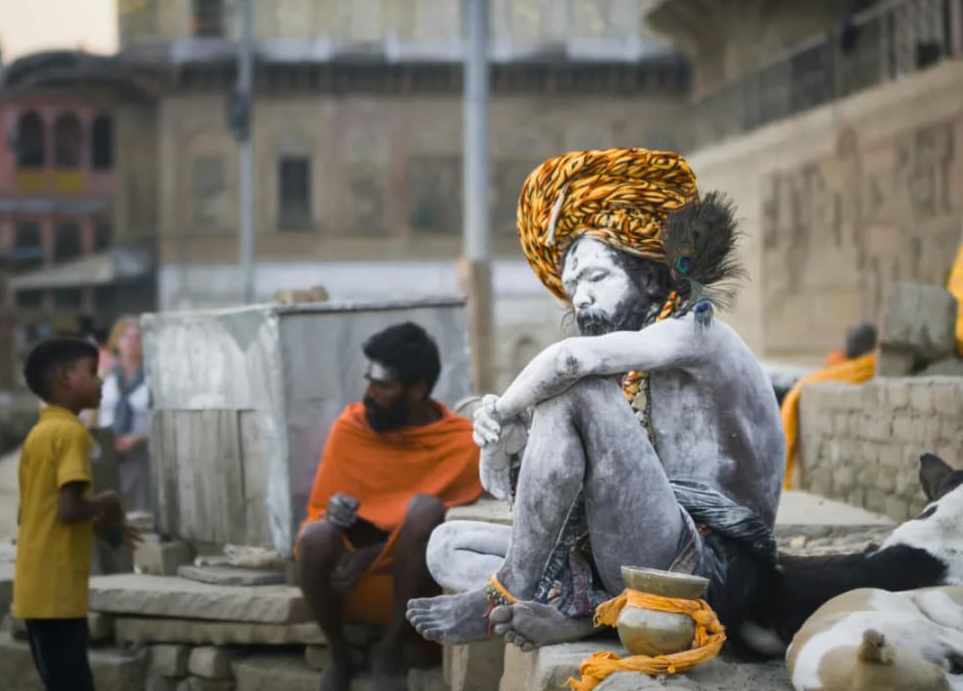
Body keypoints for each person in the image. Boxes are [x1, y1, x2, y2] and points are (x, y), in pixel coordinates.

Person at [406, 148, 784, 655]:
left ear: (651, 277)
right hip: (634, 551)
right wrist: (506, 443)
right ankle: (583, 613)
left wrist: (504, 408)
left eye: (595, 278)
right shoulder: (629, 369)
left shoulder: (697, 332)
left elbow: (568, 362)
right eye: (571, 285)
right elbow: (556, 484)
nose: (579, 297)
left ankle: (511, 590)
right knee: (446, 545)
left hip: (706, 570)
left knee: (574, 388)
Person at [295, 322, 483, 691]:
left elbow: (443, 532)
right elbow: (318, 514)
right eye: (368, 380)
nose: (369, 393)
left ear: (417, 390)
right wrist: (336, 516)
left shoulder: (460, 444)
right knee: (315, 536)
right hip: (347, 581)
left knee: (426, 510)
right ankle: (339, 655)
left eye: (382, 385)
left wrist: (374, 554)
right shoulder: (351, 427)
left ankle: (390, 651)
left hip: (412, 586)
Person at [13, 337, 139, 691]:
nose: (101, 381)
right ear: (65, 378)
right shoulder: (72, 433)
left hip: (33, 587)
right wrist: (108, 503)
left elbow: (33, 512)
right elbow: (68, 509)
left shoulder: (39, 433)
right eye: (92, 372)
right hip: (59, 591)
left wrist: (97, 527)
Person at [780, 321, 877, 488]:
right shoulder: (838, 363)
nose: (852, 344)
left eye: (857, 340)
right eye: (852, 340)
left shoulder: (867, 366)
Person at [97, 317, 152, 511]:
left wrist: (137, 439)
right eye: (126, 337)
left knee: (140, 509)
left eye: (138, 338)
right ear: (116, 341)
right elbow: (94, 414)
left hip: (142, 451)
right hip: (108, 450)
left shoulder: (152, 378)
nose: (131, 342)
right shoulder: (106, 376)